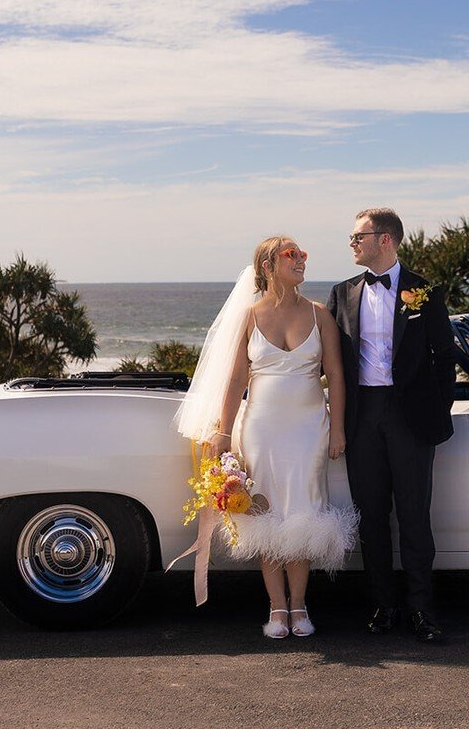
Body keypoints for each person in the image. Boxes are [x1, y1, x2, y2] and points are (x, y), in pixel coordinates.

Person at [177, 236, 357, 638]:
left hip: (311, 429)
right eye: (292, 254)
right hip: (261, 429)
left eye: (303, 253)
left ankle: (300, 605)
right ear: (268, 266)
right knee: (265, 515)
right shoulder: (250, 316)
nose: (302, 260)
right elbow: (237, 378)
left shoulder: (319, 315)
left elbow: (337, 376)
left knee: (304, 514)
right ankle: (277, 607)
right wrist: (223, 432)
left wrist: (339, 429)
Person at [326, 207, 457, 643]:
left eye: (357, 236)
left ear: (385, 239)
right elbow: (328, 362)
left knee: (416, 517)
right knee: (372, 518)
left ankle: (422, 610)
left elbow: (445, 358)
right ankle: (382, 607)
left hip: (412, 418)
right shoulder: (341, 293)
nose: (352, 243)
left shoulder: (425, 291)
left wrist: (437, 413)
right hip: (362, 415)